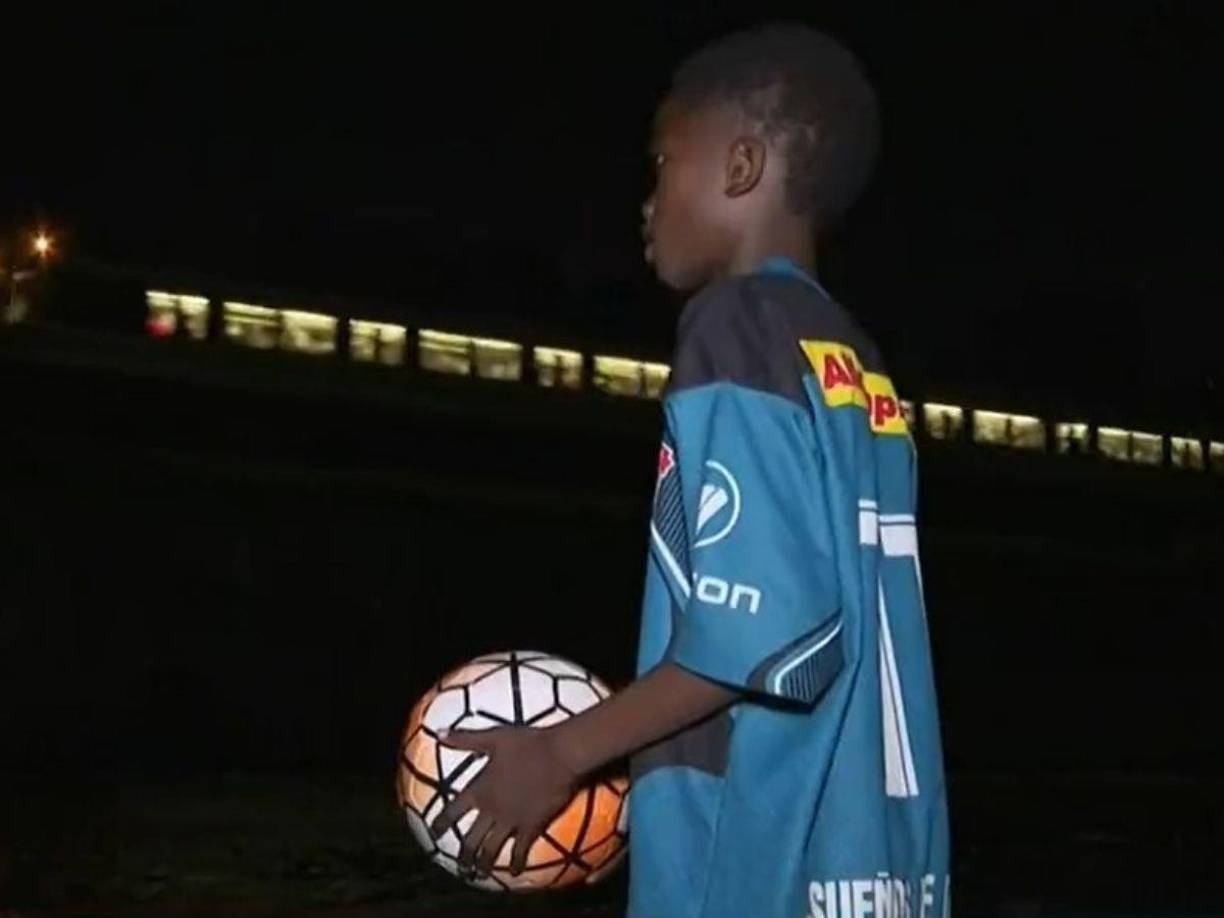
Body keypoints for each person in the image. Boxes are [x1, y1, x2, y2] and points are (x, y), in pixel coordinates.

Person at [431, 23, 950, 918]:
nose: (647, 200)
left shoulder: (736, 328)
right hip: (885, 876)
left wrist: (561, 753)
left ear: (740, 167)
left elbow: (762, 638)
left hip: (764, 876)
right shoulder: (856, 362)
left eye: (664, 162)